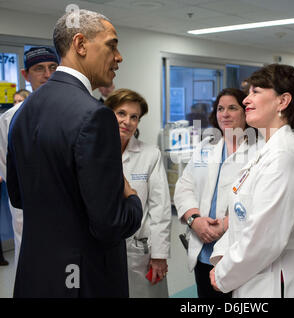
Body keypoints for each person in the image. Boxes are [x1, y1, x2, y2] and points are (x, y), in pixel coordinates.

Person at [6, 9, 143, 298]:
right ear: (80, 45)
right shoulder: (95, 116)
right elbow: (111, 224)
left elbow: (18, 197)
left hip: (38, 274)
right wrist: (132, 198)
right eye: (112, 45)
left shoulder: (22, 113)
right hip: (84, 280)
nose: (119, 57)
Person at [209, 64, 294, 298]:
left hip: (278, 280)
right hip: (253, 275)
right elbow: (241, 218)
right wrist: (222, 258)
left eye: (256, 92)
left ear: (282, 101)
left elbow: (265, 238)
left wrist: (223, 274)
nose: (246, 100)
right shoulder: (263, 151)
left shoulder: (285, 158)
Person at [174, 87, 260, 298]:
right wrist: (195, 220)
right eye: (221, 108)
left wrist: (224, 225)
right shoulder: (206, 146)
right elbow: (184, 186)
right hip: (202, 248)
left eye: (233, 108)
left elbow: (258, 202)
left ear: (245, 112)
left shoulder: (259, 152)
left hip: (235, 249)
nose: (225, 114)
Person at [104, 88, 172, 298]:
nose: (127, 121)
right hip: (101, 247)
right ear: (107, 115)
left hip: (138, 249)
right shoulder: (92, 152)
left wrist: (159, 254)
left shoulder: (150, 154)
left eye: (134, 117)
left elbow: (160, 207)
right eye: (121, 113)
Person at [0, 46, 59, 268]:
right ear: (26, 74)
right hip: (28, 209)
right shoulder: (11, 118)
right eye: (39, 69)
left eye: (53, 67)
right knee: (33, 271)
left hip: (68, 209)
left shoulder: (74, 110)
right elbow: (7, 167)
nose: (47, 74)